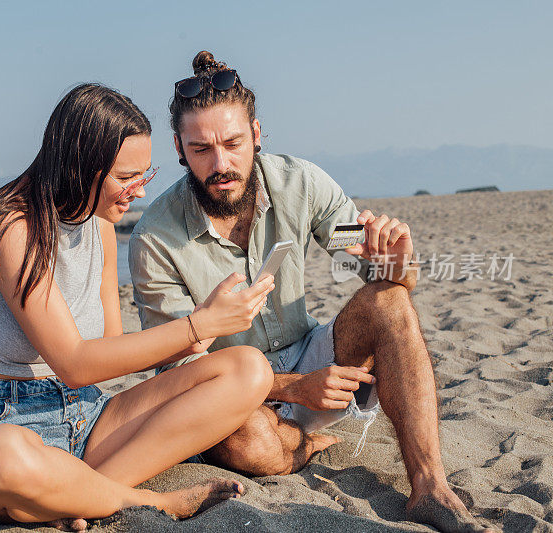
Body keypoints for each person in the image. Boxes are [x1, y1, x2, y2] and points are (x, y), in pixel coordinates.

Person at [129, 52, 494, 533]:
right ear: (179, 148)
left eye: (234, 143)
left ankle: (430, 488)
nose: (221, 164)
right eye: (201, 150)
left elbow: (367, 268)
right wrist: (292, 388)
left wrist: (395, 263)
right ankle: (302, 443)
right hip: (229, 392)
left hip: (312, 354)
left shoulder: (301, 182)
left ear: (256, 135)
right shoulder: (154, 238)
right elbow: (176, 373)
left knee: (390, 300)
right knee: (248, 444)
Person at [0, 83, 277, 529]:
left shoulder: (98, 226)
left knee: (248, 368)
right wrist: (194, 326)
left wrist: (204, 331)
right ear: (80, 166)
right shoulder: (11, 229)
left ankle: (78, 497)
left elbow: (111, 350)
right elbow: (75, 363)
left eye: (144, 175)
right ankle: (149, 502)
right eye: (125, 177)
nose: (138, 191)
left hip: (86, 416)